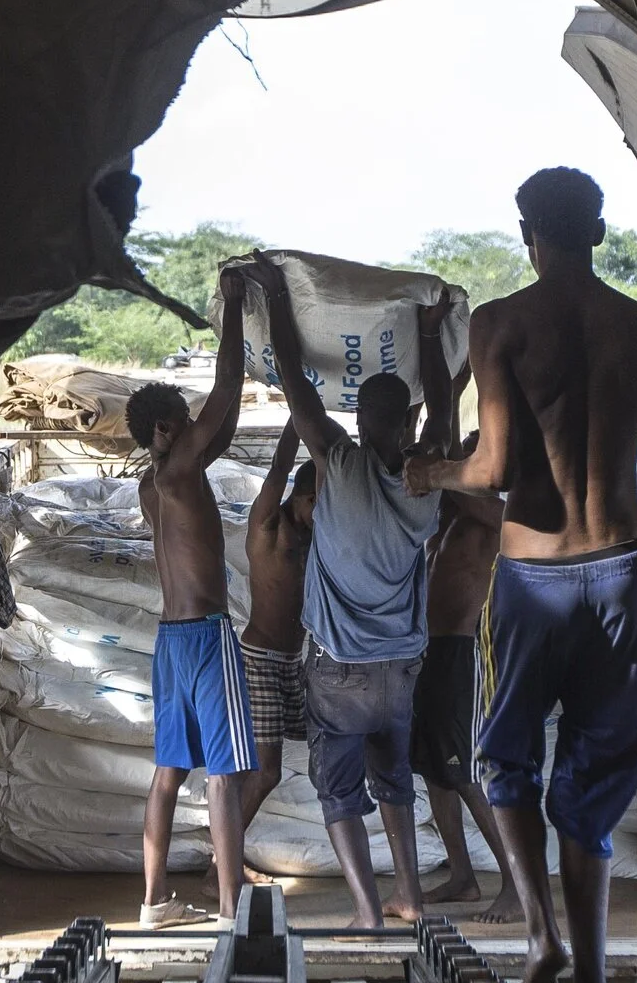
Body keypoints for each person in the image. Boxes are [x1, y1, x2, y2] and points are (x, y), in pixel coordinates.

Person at [405, 166, 637, 983]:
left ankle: (540, 937)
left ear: (529, 232)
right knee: (593, 791)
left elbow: (491, 472)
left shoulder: (500, 324)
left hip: (533, 580)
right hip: (622, 571)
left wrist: (431, 472)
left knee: (505, 761)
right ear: (599, 233)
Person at [245, 259, 454, 928]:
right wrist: (428, 329)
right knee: (393, 781)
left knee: (339, 790)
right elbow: (445, 401)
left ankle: (368, 909)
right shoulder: (429, 479)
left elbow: (294, 388)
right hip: (401, 671)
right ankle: (410, 898)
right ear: (408, 425)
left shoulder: (335, 463)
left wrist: (277, 296)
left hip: (338, 669)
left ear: (362, 419)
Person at [128, 270, 257, 925]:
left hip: (169, 642)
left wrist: (204, 421)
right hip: (205, 638)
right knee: (225, 775)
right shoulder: (178, 467)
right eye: (183, 420)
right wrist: (234, 307)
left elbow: (223, 423)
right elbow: (228, 393)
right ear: (166, 427)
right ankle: (234, 906)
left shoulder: (155, 483)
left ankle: (152, 903)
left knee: (169, 771)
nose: (194, 425)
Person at [413, 437, 520, 919]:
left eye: (475, 458)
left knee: (466, 773)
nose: (464, 464)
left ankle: (518, 886)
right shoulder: (452, 515)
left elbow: (455, 483)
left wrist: (435, 466)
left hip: (463, 651)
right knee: (436, 770)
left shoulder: (499, 515)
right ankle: (462, 877)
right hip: (432, 649)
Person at [237, 422, 315, 842]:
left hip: (294, 663)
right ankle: (220, 867)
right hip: (261, 660)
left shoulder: (312, 530)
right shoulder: (269, 523)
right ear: (305, 498)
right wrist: (297, 414)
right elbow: (279, 468)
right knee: (267, 772)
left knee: (330, 749)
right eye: (320, 503)